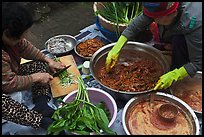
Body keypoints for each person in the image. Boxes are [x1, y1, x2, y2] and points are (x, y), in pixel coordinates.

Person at [105, 2, 202, 90]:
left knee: (179, 43)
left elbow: (198, 62)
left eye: (157, 18)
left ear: (174, 13)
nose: (153, 20)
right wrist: (117, 47)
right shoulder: (163, 6)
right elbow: (136, 25)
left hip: (197, 34)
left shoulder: (194, 21)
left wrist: (176, 74)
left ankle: (177, 72)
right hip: (177, 24)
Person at [2, 2, 66, 130]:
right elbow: (8, 84)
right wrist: (35, 78)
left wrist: (49, 60)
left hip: (7, 76)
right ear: (6, 33)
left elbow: (25, 47)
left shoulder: (10, 38)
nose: (23, 38)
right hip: (5, 86)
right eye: (20, 36)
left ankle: (41, 105)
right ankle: (41, 121)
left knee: (40, 65)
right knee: (4, 104)